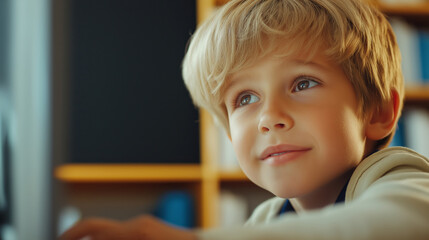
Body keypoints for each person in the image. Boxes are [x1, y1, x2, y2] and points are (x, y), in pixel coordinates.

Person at [60, 0, 429, 239]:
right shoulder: (266, 221)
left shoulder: (400, 178)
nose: (269, 117)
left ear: (379, 112)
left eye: (303, 83)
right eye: (245, 98)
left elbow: (397, 226)